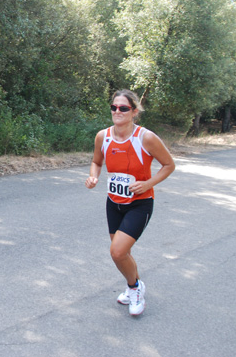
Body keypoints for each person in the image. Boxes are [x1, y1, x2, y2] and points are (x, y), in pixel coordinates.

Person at [85, 89, 175, 316]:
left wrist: (147, 184)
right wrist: (93, 175)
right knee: (122, 253)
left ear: (134, 111)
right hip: (114, 203)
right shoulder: (102, 136)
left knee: (117, 252)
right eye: (114, 107)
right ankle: (134, 284)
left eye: (123, 108)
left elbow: (169, 165)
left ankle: (135, 289)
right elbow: (96, 161)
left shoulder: (146, 137)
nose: (117, 111)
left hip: (140, 203)